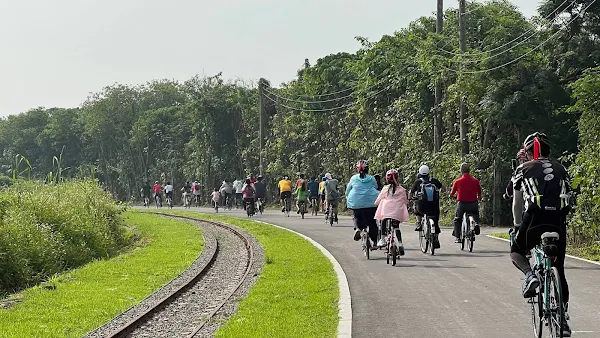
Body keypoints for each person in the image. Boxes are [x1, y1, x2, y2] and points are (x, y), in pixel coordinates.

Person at [510, 132, 571, 336]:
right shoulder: (562, 168)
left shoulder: (523, 168)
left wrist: (518, 225)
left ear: (527, 153)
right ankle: (562, 320)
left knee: (516, 252)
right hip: (558, 223)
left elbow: (516, 201)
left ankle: (530, 277)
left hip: (534, 220)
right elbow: (569, 196)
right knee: (559, 270)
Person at [347, 160, 380, 246]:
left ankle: (359, 228)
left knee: (357, 216)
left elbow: (348, 190)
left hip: (356, 203)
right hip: (371, 203)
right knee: (372, 222)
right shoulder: (372, 178)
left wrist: (348, 198)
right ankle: (375, 242)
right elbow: (375, 187)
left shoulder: (353, 178)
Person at [375, 169, 409, 251]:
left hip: (386, 211)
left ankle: (382, 239)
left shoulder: (386, 189)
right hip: (397, 213)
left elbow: (379, 199)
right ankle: (400, 243)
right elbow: (405, 201)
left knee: (383, 221)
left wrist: (376, 203)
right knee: (396, 227)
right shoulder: (401, 189)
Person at [409, 165, 443, 247]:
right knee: (436, 222)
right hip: (434, 206)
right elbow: (443, 188)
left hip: (422, 207)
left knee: (416, 208)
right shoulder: (434, 181)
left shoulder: (418, 182)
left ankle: (419, 223)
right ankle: (436, 239)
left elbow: (411, 192)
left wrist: (410, 198)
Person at [450, 163, 482, 243]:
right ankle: (476, 223)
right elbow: (479, 192)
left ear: (461, 171)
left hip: (462, 204)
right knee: (475, 214)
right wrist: (480, 198)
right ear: (469, 170)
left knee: (457, 219)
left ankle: (458, 237)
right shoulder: (475, 181)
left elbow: (452, 193)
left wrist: (451, 196)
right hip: (473, 203)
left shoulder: (458, 181)